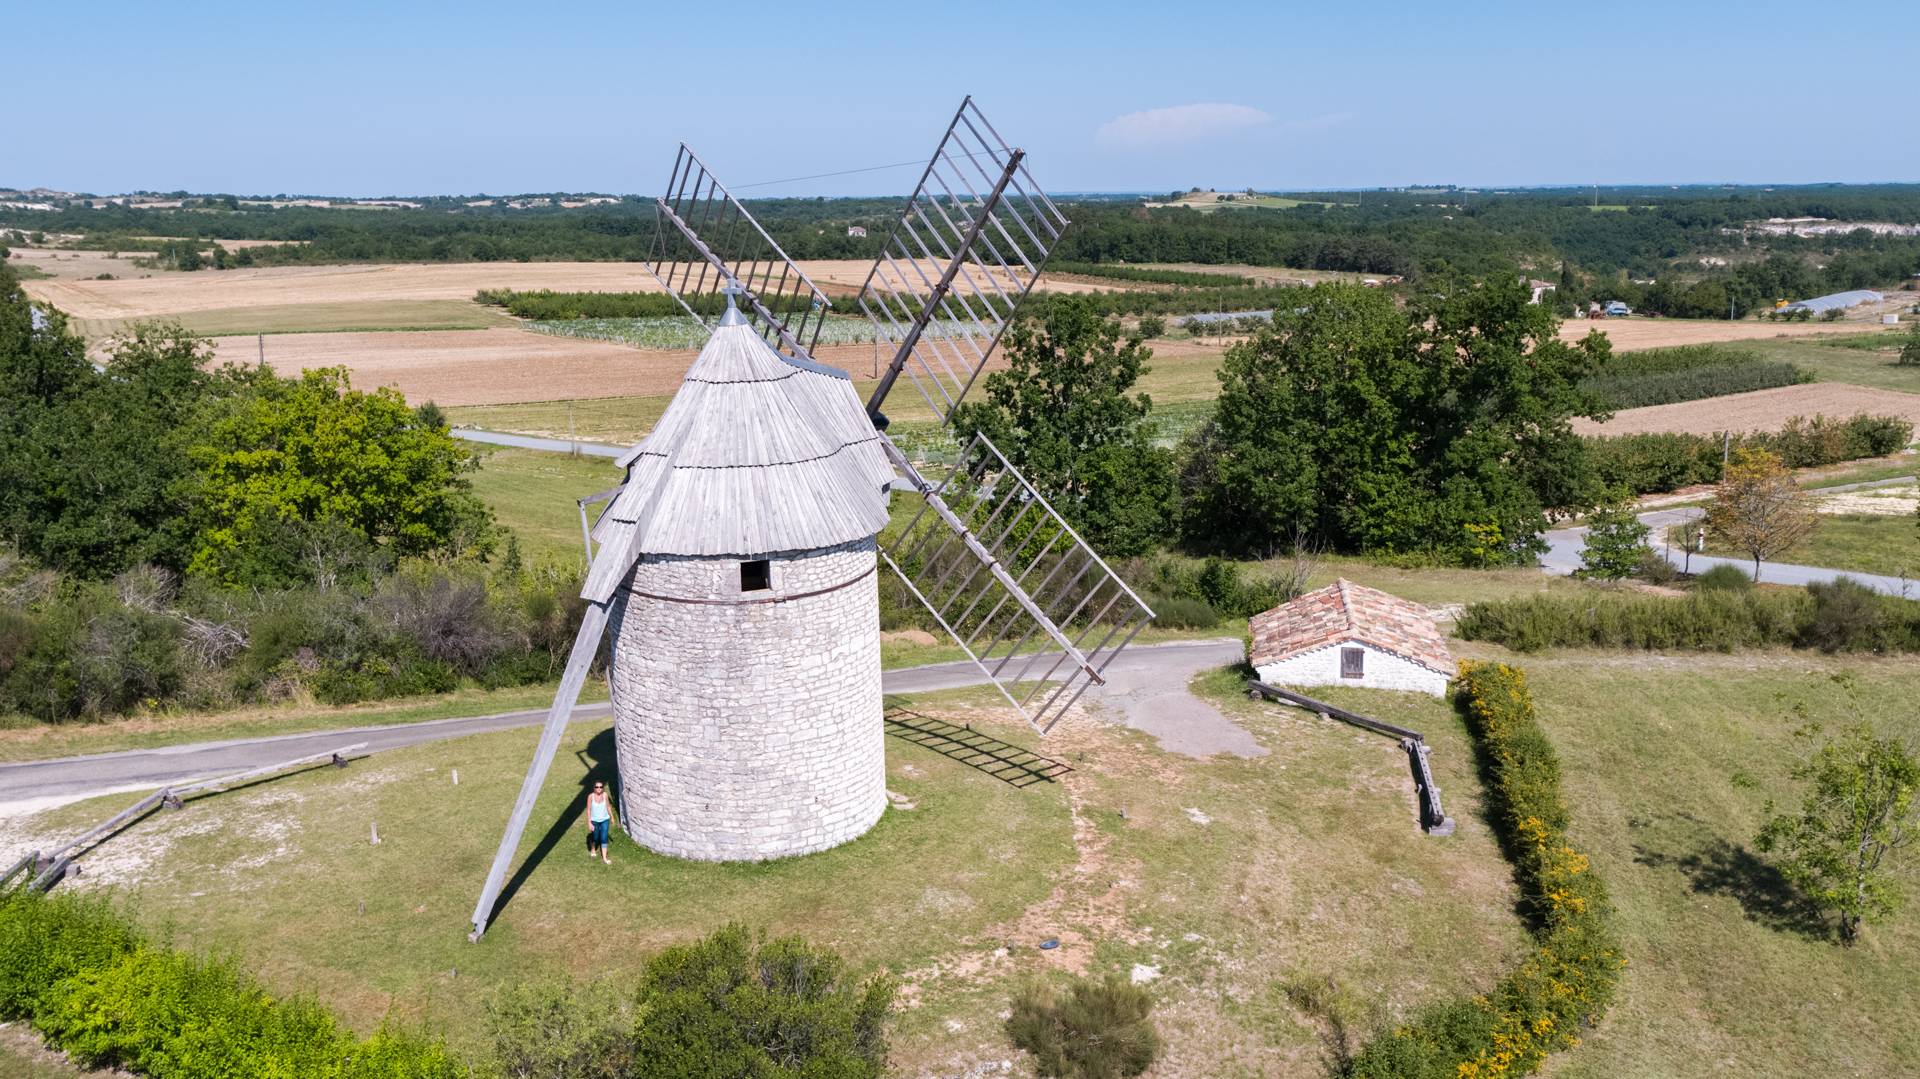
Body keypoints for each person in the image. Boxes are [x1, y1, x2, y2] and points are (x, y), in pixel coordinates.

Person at [585, 780, 614, 865]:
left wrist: (612, 817)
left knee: (604, 838)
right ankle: (593, 848)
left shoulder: (605, 795)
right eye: (597, 787)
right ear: (594, 788)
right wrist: (589, 822)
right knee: (595, 837)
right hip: (594, 821)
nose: (599, 788)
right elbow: (589, 810)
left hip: (605, 819)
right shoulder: (591, 796)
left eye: (601, 787)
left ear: (603, 788)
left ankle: (604, 858)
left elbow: (608, 807)